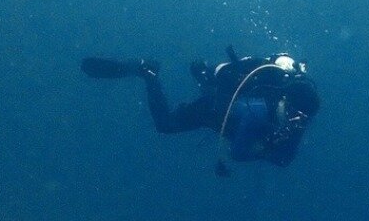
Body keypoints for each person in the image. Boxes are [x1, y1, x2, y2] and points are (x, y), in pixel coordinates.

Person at [82, 46, 319, 175]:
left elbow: (284, 160)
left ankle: (201, 75)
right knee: (165, 124)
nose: (296, 120)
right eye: (293, 113)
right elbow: (237, 152)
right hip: (215, 110)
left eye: (301, 117)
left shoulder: (297, 121)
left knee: (206, 90)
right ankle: (148, 73)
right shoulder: (258, 110)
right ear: (286, 101)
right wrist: (264, 149)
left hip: (227, 116)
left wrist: (273, 145)